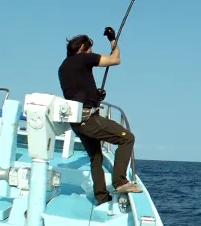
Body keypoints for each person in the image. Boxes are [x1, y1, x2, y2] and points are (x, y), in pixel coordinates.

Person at [58, 26, 142, 205]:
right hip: (89, 120)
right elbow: (115, 59)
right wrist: (113, 40)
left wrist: (96, 96)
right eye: (90, 49)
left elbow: (77, 91)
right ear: (82, 48)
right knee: (127, 138)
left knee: (95, 156)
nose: (92, 53)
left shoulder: (64, 67)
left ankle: (102, 197)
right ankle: (120, 182)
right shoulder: (83, 59)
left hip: (77, 121)